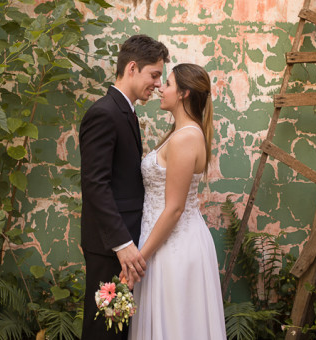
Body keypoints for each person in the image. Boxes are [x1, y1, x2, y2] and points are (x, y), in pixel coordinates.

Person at [126, 63, 228, 340]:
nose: (160, 88)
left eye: (167, 84)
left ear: (183, 93)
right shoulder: (180, 134)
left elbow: (174, 209)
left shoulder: (185, 138)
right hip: (161, 241)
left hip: (173, 246)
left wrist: (139, 261)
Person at [78, 35, 169, 340]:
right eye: (154, 75)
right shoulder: (104, 113)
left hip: (124, 243)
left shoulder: (125, 111)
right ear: (132, 68)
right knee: (103, 330)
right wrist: (122, 244)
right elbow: (95, 185)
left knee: (117, 329)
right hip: (110, 246)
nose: (158, 84)